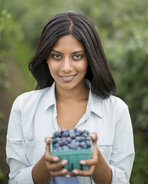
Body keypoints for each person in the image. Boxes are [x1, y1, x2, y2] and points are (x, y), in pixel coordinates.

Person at [6, 11, 135, 184]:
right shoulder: (23, 107)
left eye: (77, 56)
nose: (66, 68)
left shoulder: (117, 111)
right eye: (56, 56)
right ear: (46, 58)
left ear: (90, 58)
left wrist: (99, 166)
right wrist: (44, 166)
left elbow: (122, 180)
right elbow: (15, 180)